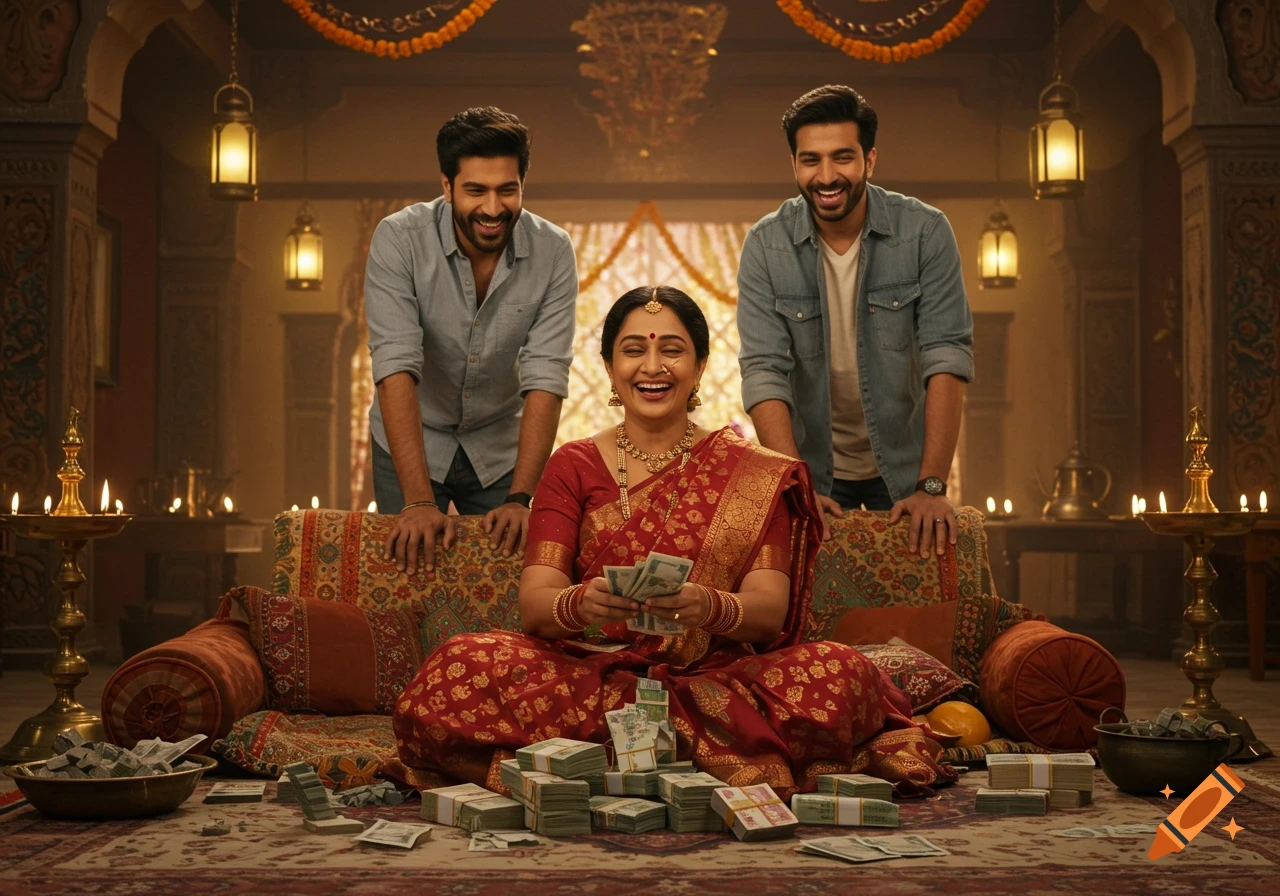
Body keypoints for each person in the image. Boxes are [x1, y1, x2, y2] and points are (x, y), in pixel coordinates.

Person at [388, 286, 955, 800]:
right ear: (610, 369)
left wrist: (707, 606)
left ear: (701, 366)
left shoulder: (754, 473)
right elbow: (535, 605)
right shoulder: (572, 465)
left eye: (673, 351)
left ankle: (600, 760)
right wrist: (580, 603)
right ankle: (694, 757)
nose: (652, 367)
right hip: (591, 672)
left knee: (841, 672)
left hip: (715, 676)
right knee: (457, 665)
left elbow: (767, 611)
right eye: (633, 350)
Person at [736, 85, 974, 555]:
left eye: (842, 157)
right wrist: (794, 484)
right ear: (795, 165)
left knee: (912, 614)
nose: (827, 176)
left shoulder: (925, 231)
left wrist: (931, 485)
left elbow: (946, 356)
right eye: (811, 160)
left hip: (906, 467)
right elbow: (764, 372)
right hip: (811, 467)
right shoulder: (765, 245)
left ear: (869, 160)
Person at [365, 106, 578, 574]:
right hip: (413, 436)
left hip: (500, 447)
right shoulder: (398, 240)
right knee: (409, 581)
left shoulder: (555, 250)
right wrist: (418, 501)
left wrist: (522, 497)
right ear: (446, 187)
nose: (492, 208)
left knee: (508, 589)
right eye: (475, 191)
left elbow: (547, 372)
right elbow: (394, 364)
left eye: (507, 190)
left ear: (523, 184)